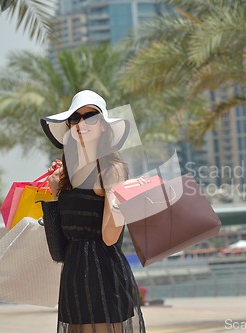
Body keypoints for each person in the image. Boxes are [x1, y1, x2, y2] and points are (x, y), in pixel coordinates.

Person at [40, 90, 145, 333]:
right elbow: (58, 250)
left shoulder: (113, 170)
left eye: (91, 117)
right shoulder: (67, 176)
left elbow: (110, 238)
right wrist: (56, 192)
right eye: (75, 118)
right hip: (74, 275)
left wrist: (115, 192)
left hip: (104, 274)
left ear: (104, 128)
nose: (82, 123)